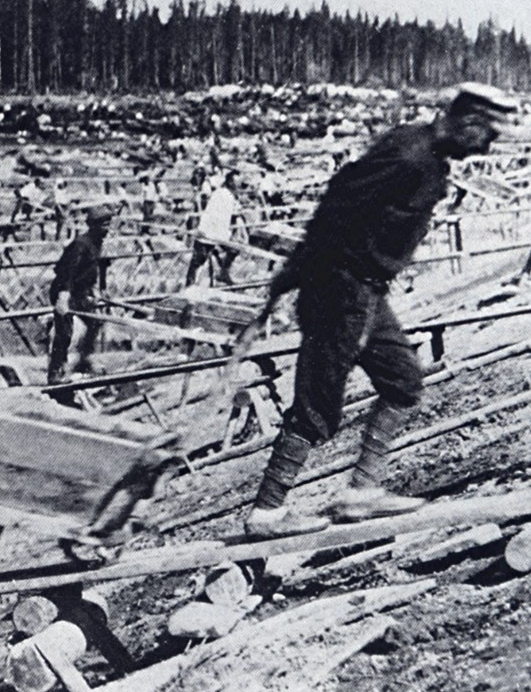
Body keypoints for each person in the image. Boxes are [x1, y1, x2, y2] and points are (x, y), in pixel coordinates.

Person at [234, 84, 518, 538]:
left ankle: (362, 492)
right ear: (469, 122)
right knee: (318, 403)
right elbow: (336, 207)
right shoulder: (408, 156)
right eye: (488, 135)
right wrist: (294, 274)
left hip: (367, 292)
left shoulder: (428, 157)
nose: (486, 148)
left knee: (402, 380)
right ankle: (267, 513)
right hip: (338, 289)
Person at [46, 203, 114, 385]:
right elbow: (66, 272)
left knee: (95, 321)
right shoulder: (80, 244)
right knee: (64, 332)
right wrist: (63, 297)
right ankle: (55, 372)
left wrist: (99, 290)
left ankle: (84, 359)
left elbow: (98, 268)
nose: (107, 229)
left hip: (80, 292)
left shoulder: (98, 243)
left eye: (109, 224)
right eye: (103, 225)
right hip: (64, 291)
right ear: (93, 225)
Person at [186, 170, 246, 287]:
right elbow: (217, 216)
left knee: (235, 248)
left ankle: (223, 272)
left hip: (219, 233)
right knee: (198, 261)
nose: (239, 185)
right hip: (208, 232)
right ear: (230, 182)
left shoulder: (230, 196)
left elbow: (232, 216)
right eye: (237, 182)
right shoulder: (221, 194)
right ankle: (189, 286)